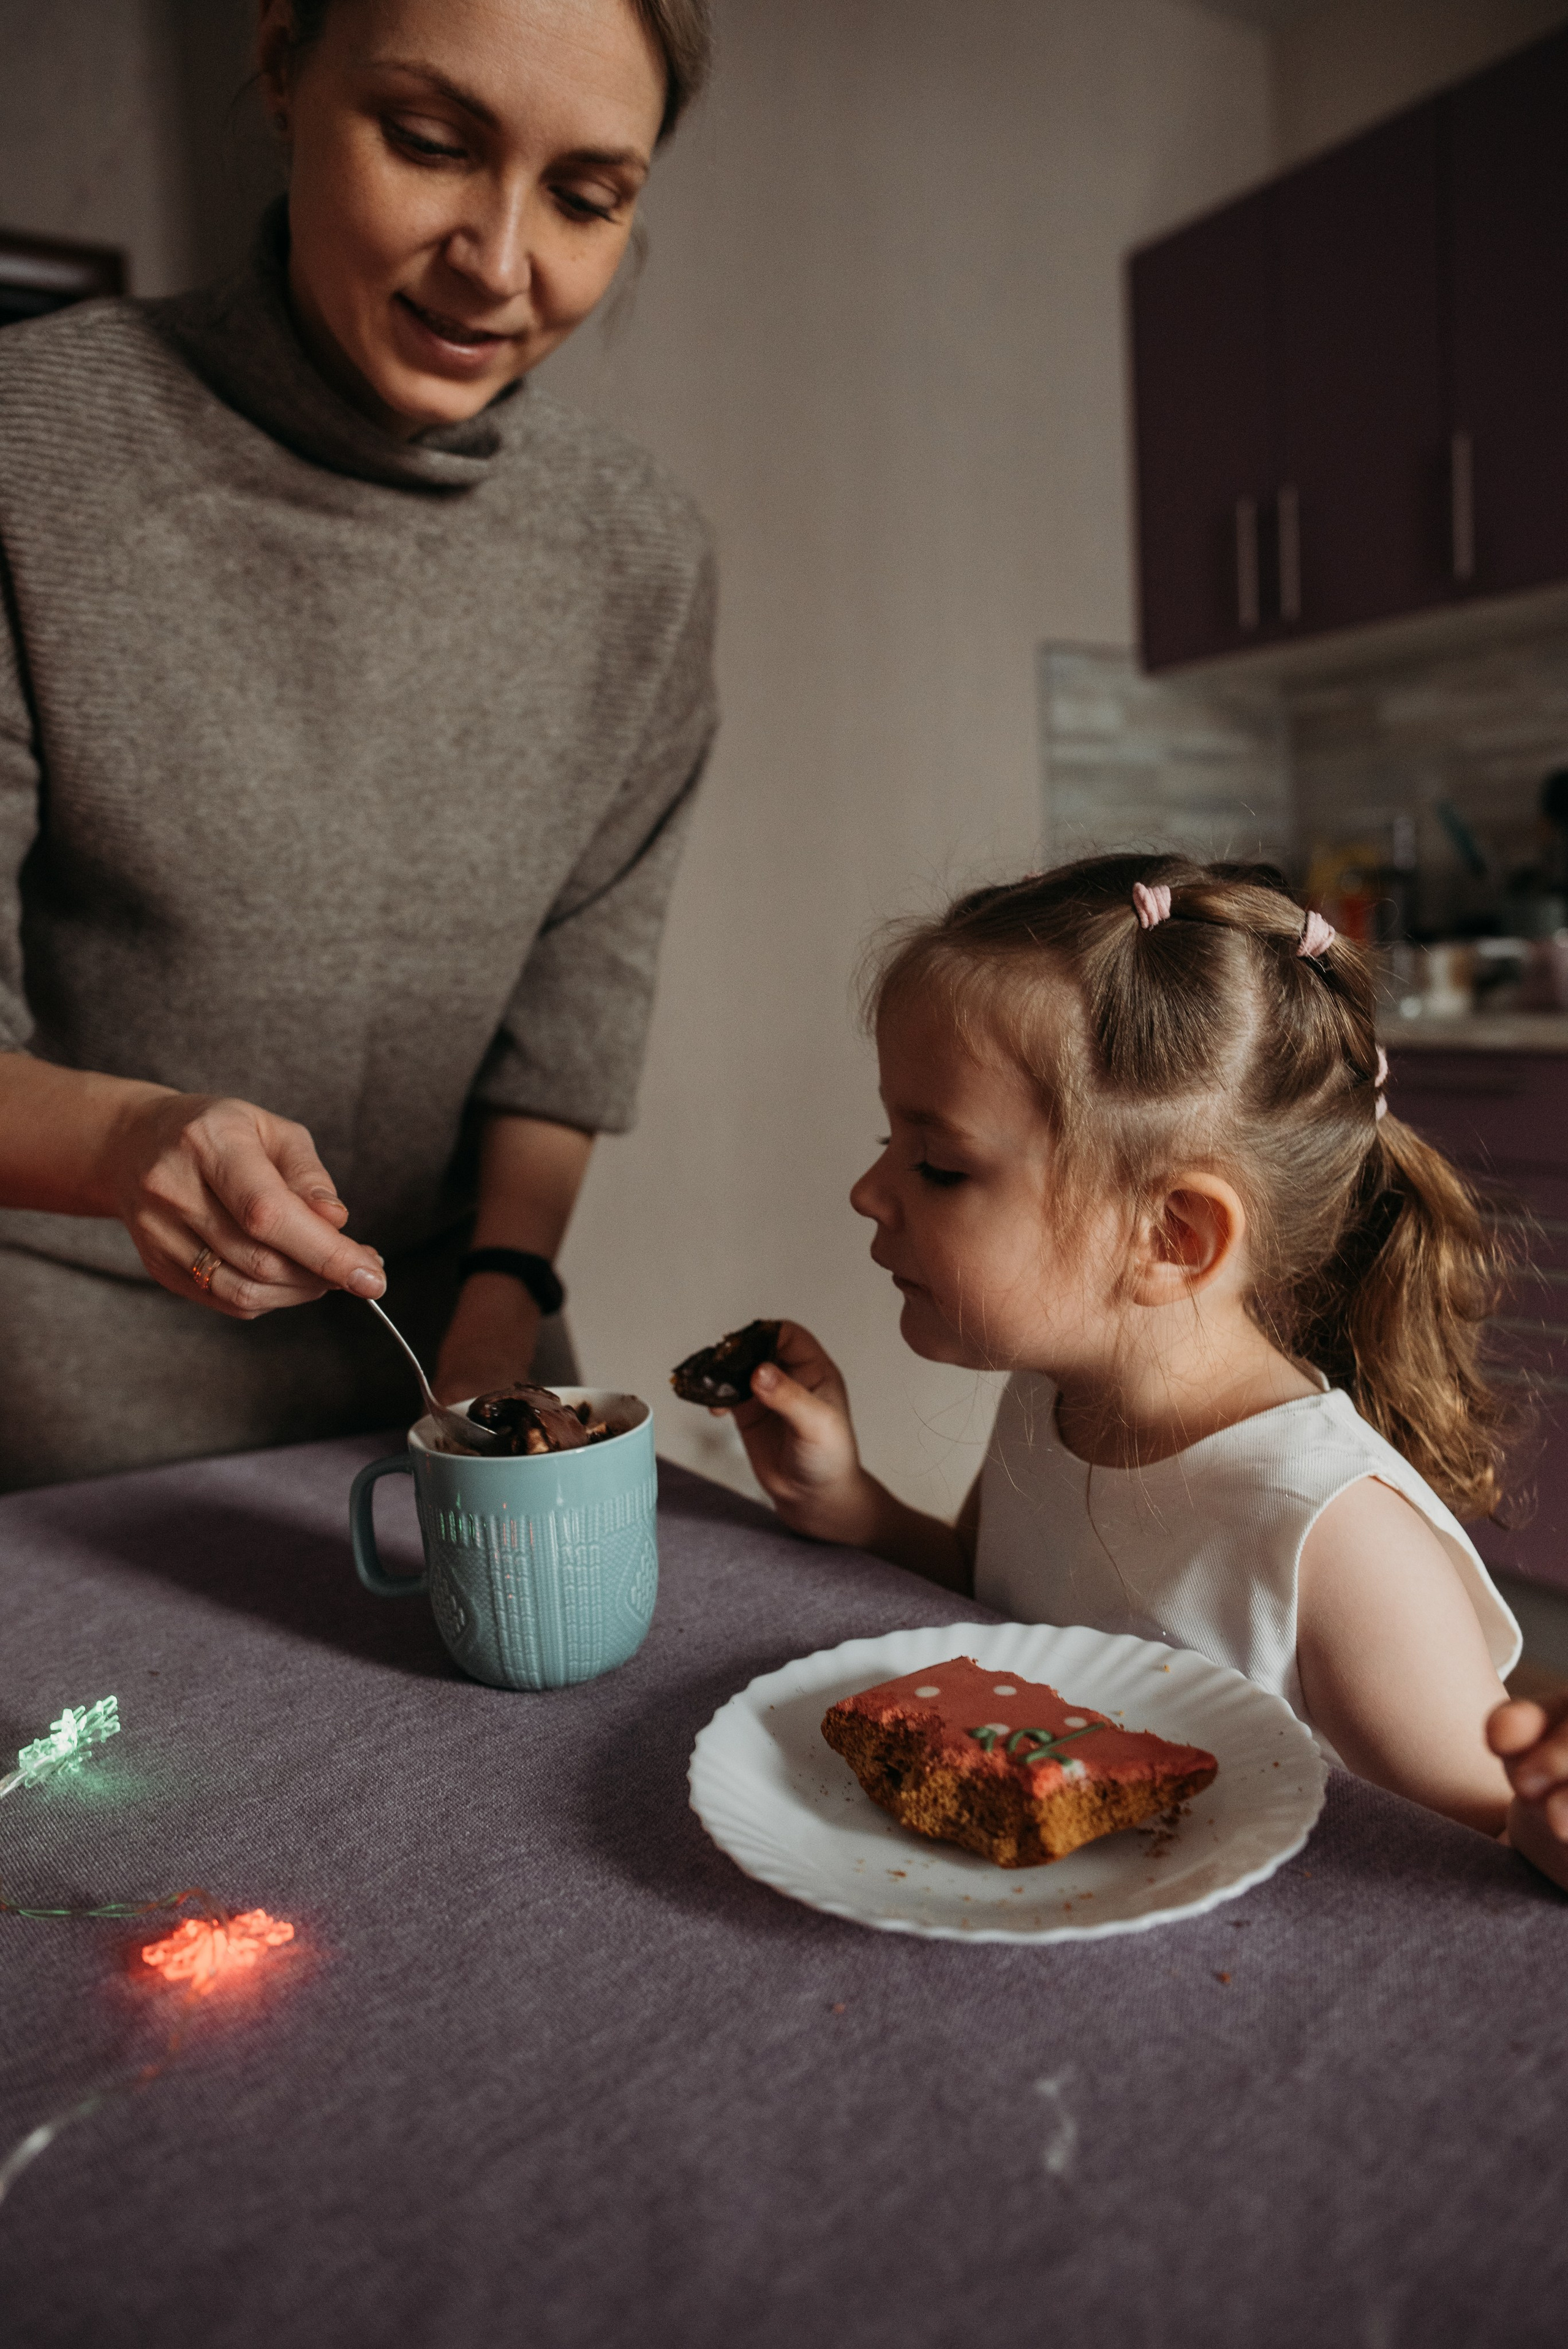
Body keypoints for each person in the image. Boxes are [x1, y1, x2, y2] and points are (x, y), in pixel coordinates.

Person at [0, 0, 716, 1488]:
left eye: (586, 197)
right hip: (64, 1431)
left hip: (464, 1380)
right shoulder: (33, 448)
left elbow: (565, 1028)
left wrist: (498, 1310)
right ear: (279, 64)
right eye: (431, 144)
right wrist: (135, 1139)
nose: (500, 263)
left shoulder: (639, 556)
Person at [717, 854, 1568, 1892]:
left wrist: (1543, 1820)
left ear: (1171, 1235)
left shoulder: (1333, 1540)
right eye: (885, 1141)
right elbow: (1013, 1614)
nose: (868, 1191)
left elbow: (1486, 1854)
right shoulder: (1053, 1395)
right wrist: (854, 1508)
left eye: (938, 1164)